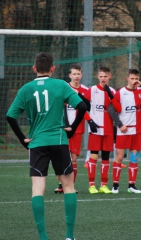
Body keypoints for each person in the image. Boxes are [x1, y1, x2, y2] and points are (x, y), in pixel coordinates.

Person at [6, 52, 87, 240]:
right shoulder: (60, 85)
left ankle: (43, 237)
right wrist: (72, 129)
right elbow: (82, 107)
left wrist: (22, 139)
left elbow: (10, 116)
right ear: (53, 68)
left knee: (37, 189)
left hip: (37, 142)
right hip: (59, 140)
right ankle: (69, 236)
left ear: (34, 69)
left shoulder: (25, 89)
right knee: (68, 186)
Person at [108, 68, 141, 194]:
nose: (134, 81)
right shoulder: (121, 92)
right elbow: (111, 109)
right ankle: (115, 185)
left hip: (137, 131)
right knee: (119, 157)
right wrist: (120, 124)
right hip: (123, 131)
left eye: (136, 78)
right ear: (127, 78)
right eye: (132, 78)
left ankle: (131, 186)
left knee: (134, 158)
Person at [54, 63, 98, 194]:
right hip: (63, 128)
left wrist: (90, 121)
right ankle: (61, 184)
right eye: (74, 74)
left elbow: (84, 109)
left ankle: (71, 185)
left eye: (78, 74)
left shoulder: (85, 90)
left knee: (73, 158)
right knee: (62, 157)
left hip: (77, 129)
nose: (76, 76)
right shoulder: (64, 88)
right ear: (70, 75)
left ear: (82, 75)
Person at [83, 66, 121, 194]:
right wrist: (90, 121)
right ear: (97, 76)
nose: (103, 78)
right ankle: (91, 185)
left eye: (106, 76)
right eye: (101, 76)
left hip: (109, 130)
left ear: (110, 76)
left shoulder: (113, 91)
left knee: (106, 157)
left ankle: (103, 185)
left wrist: (110, 95)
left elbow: (118, 109)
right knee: (94, 156)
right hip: (95, 129)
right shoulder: (92, 90)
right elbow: (81, 107)